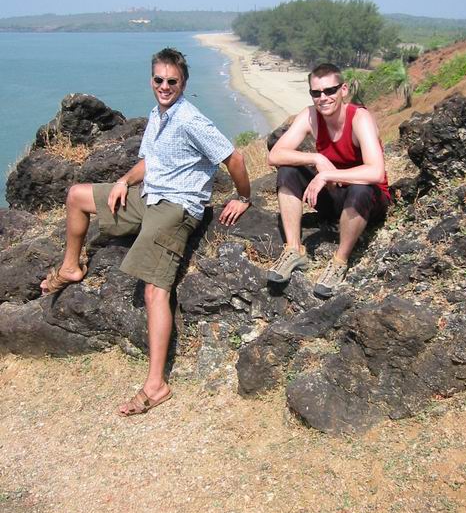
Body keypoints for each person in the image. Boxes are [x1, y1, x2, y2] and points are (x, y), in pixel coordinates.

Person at [40, 48, 251, 416]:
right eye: (159, 80)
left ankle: (157, 385)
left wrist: (244, 196)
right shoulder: (158, 114)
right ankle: (71, 267)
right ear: (152, 80)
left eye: (172, 81)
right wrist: (123, 181)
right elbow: (150, 161)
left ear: (183, 83)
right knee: (76, 196)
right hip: (149, 195)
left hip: (176, 206)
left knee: (155, 290)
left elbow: (234, 157)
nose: (164, 86)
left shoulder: (190, 120)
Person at [267, 63, 390, 298]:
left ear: (343, 90)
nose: (323, 98)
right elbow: (274, 156)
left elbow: (376, 172)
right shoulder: (310, 116)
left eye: (330, 91)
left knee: (360, 189)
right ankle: (294, 249)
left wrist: (326, 174)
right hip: (334, 196)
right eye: (316, 93)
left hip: (366, 201)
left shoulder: (359, 118)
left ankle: (340, 261)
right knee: (287, 171)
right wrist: (316, 158)